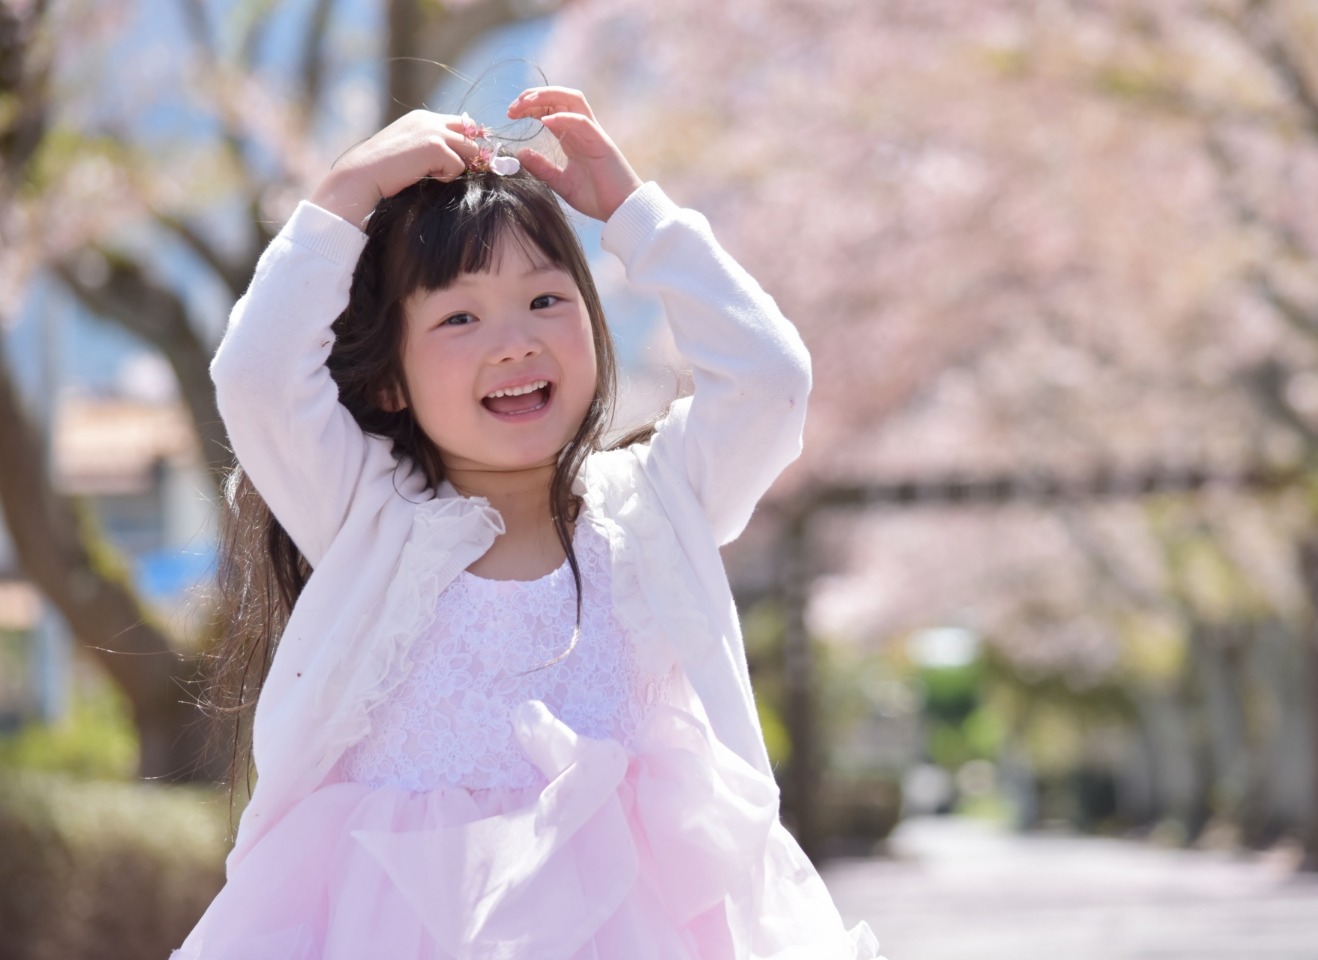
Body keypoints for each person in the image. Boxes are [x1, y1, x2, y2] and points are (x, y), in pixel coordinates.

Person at [173, 86, 882, 959]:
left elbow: (771, 382)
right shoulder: (368, 515)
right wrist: (346, 193)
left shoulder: (656, 503)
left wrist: (634, 215)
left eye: (547, 301)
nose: (514, 341)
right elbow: (257, 376)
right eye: (460, 317)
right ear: (389, 381)